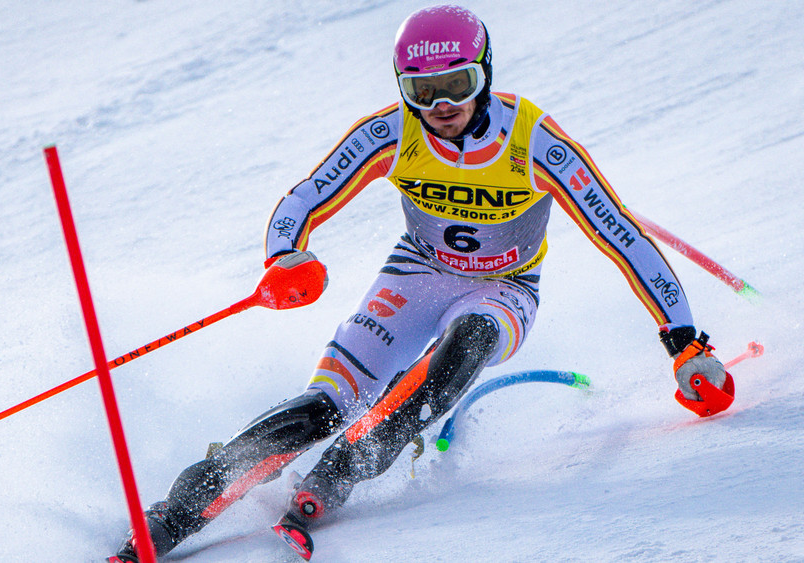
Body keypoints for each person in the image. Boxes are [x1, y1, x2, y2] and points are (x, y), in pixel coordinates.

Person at [114, 4, 729, 561]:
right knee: (324, 403)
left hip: (505, 286)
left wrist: (684, 343)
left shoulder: (534, 140)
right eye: (422, 90)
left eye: (456, 85)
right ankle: (176, 512)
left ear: (484, 75)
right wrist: (285, 257)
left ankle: (342, 472)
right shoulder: (392, 133)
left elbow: (620, 235)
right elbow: (304, 200)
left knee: (469, 339)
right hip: (415, 276)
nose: (441, 106)